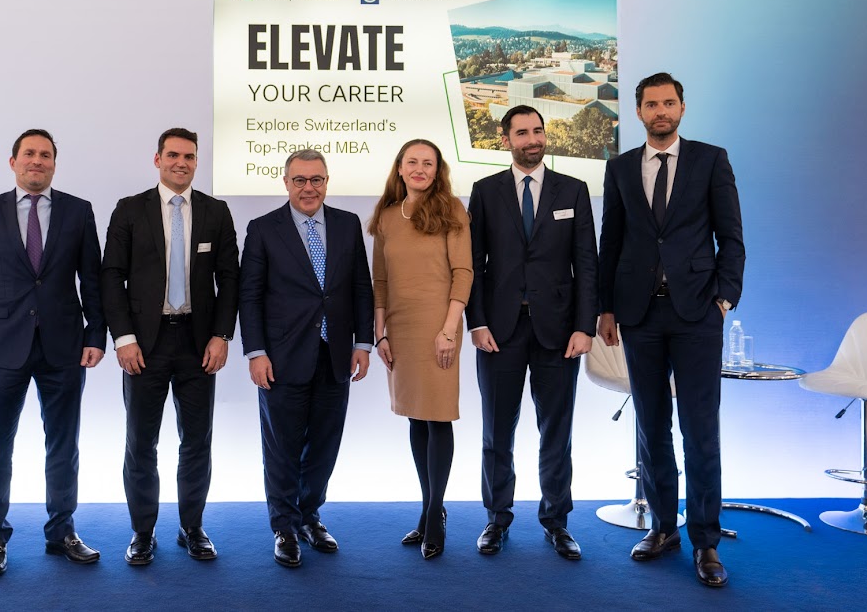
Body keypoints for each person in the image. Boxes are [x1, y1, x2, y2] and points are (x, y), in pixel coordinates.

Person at [597, 72, 744, 588]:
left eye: (668, 103)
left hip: (697, 312)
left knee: (700, 430)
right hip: (639, 315)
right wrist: (606, 309)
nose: (660, 111)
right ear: (638, 112)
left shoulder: (710, 160)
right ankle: (663, 528)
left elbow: (731, 236)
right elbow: (610, 241)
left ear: (682, 108)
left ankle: (705, 539)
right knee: (651, 425)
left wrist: (724, 298)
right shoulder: (619, 168)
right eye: (651, 104)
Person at [0, 129, 106, 576]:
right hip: (0, 348)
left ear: (54, 163)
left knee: (64, 445)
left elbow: (92, 281)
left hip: (64, 347)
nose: (37, 161)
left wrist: (96, 335)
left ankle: (62, 533)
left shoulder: (78, 211)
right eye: (29, 154)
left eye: (45, 155)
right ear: (13, 162)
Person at [100, 127, 239, 566]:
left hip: (199, 344)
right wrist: (123, 338)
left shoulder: (216, 211)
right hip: (144, 345)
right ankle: (143, 532)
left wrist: (222, 335)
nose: (182, 163)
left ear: (197, 161)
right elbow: (111, 276)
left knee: (197, 441)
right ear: (157, 159)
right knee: (140, 443)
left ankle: (192, 527)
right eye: (174, 155)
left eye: (190, 156)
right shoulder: (129, 209)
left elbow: (230, 279)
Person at [466, 105, 598, 560]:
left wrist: (584, 326)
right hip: (497, 332)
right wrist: (476, 322)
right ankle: (496, 519)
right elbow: (473, 264)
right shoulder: (485, 191)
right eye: (522, 133)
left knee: (556, 432)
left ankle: (557, 522)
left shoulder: (573, 189)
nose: (532, 139)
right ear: (506, 140)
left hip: (559, 332)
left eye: (538, 131)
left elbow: (587, 263)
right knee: (496, 432)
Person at [238, 148, 375, 568]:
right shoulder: (263, 229)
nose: (308, 188)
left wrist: (363, 343)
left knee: (324, 446)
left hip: (335, 355)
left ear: (327, 182)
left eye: (316, 179)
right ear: (286, 183)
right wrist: (256, 352)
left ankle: (309, 516)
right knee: (282, 448)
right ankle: (284, 526)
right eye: (300, 180)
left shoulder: (348, 224)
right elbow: (250, 296)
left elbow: (361, 287)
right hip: (281, 358)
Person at [369, 139, 472, 560]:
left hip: (438, 326)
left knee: (438, 416)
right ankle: (430, 509)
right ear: (399, 168)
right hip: (400, 327)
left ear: (437, 170)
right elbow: (380, 281)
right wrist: (380, 332)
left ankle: (433, 517)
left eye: (428, 163)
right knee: (415, 416)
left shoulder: (452, 210)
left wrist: (449, 330)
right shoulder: (386, 216)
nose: (419, 169)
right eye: (412, 162)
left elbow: (463, 273)